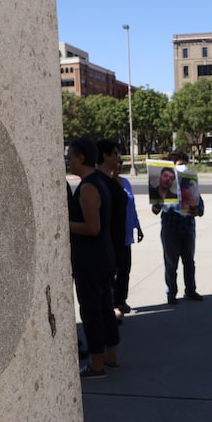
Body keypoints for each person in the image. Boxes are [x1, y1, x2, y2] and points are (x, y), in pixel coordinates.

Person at [67, 138, 120, 379]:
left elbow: (92, 227)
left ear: (80, 159)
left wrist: (64, 224)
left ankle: (96, 365)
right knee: (105, 307)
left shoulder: (89, 187)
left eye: (70, 156)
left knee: (92, 311)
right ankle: (111, 357)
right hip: (103, 255)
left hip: (91, 258)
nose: (67, 160)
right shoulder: (101, 181)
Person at [152, 152, 204, 304]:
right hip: (170, 228)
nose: (183, 167)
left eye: (184, 164)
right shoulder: (163, 185)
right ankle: (171, 292)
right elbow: (155, 210)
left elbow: (200, 206)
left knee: (189, 262)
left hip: (187, 228)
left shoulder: (190, 183)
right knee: (171, 263)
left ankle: (190, 289)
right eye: (179, 164)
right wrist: (157, 203)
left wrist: (197, 211)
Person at [96, 140, 129, 322]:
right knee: (105, 285)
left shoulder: (112, 181)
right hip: (107, 244)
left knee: (116, 278)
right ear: (105, 156)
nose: (118, 157)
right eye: (115, 153)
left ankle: (112, 310)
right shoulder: (98, 183)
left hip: (118, 242)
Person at [112, 156, 143, 315]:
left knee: (125, 270)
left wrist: (137, 226)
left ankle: (121, 301)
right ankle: (112, 305)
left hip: (126, 234)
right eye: (115, 164)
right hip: (112, 237)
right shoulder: (106, 184)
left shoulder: (126, 182)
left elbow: (132, 206)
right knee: (113, 272)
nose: (118, 167)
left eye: (120, 165)